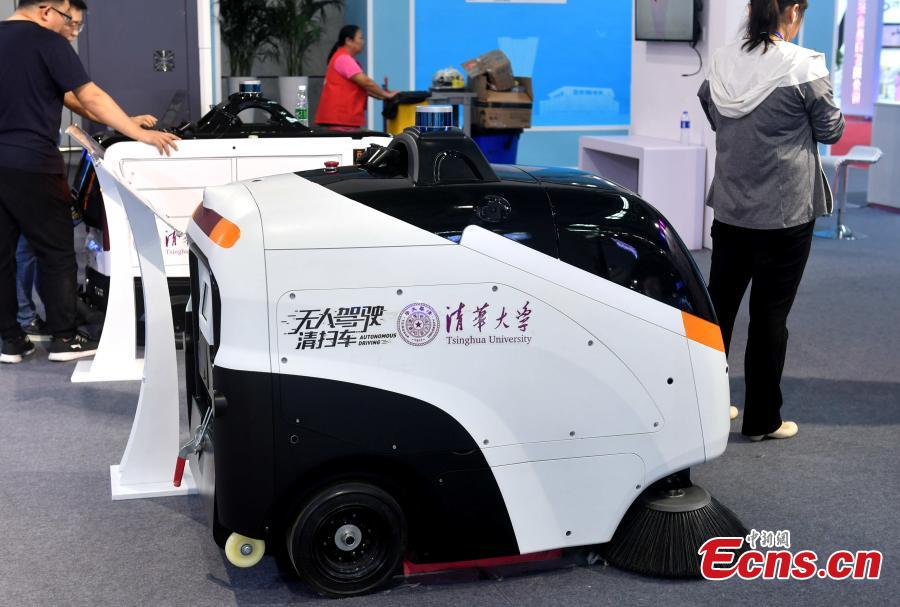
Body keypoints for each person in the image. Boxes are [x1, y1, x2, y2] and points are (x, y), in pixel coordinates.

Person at [0, 0, 179, 364]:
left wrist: (122, 120)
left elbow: (65, 95)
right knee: (56, 251)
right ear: (48, 9)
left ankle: (10, 341)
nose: (71, 30)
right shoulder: (47, 41)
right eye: (70, 20)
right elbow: (88, 95)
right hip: (34, 161)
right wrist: (137, 134)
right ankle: (65, 338)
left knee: (2, 255)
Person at [697, 0, 844, 441]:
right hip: (785, 212)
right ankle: (762, 420)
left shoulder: (722, 61)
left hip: (732, 207)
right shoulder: (803, 67)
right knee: (769, 316)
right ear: (794, 11)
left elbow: (713, 114)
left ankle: (706, 407)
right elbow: (832, 129)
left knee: (717, 310)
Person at [315, 25, 397, 130]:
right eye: (360, 38)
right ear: (349, 40)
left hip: (342, 120)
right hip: (341, 120)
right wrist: (386, 94)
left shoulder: (342, 57)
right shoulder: (343, 58)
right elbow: (366, 82)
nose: (363, 41)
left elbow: (363, 88)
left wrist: (383, 96)